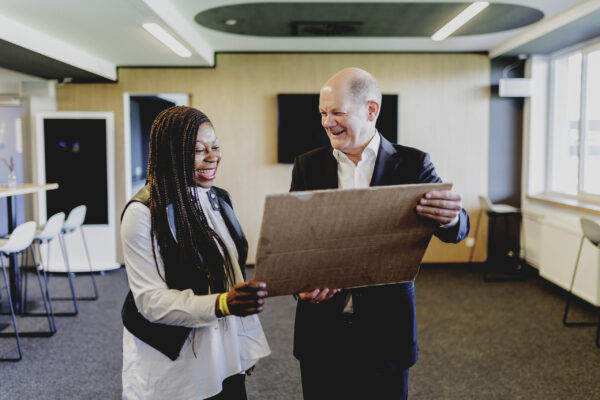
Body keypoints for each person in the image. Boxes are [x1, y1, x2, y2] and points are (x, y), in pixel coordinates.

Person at [290, 68, 470, 399]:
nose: (327, 122)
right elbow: (297, 244)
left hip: (387, 331)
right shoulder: (307, 165)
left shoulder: (413, 164)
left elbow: (456, 231)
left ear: (371, 109)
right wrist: (299, 286)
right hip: (321, 332)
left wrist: (451, 217)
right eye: (322, 113)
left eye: (337, 112)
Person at [120, 106, 271, 400]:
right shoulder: (143, 214)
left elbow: (233, 276)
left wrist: (242, 346)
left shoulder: (218, 199)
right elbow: (150, 302)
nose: (212, 156)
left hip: (222, 353)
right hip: (175, 363)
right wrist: (223, 304)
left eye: (215, 147)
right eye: (198, 150)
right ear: (171, 155)